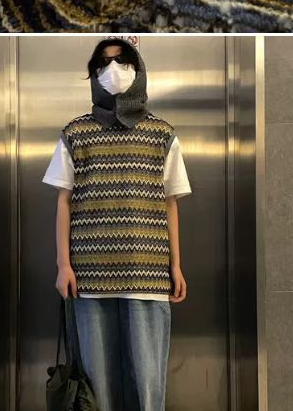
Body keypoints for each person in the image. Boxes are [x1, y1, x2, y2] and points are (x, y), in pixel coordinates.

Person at [43, 38, 189, 411]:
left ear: (138, 69)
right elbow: (63, 201)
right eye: (103, 63)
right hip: (89, 275)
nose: (113, 70)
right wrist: (63, 265)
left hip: (148, 272)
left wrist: (175, 265)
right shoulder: (76, 133)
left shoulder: (162, 133)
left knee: (147, 381)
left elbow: (170, 203)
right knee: (96, 384)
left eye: (122, 61)